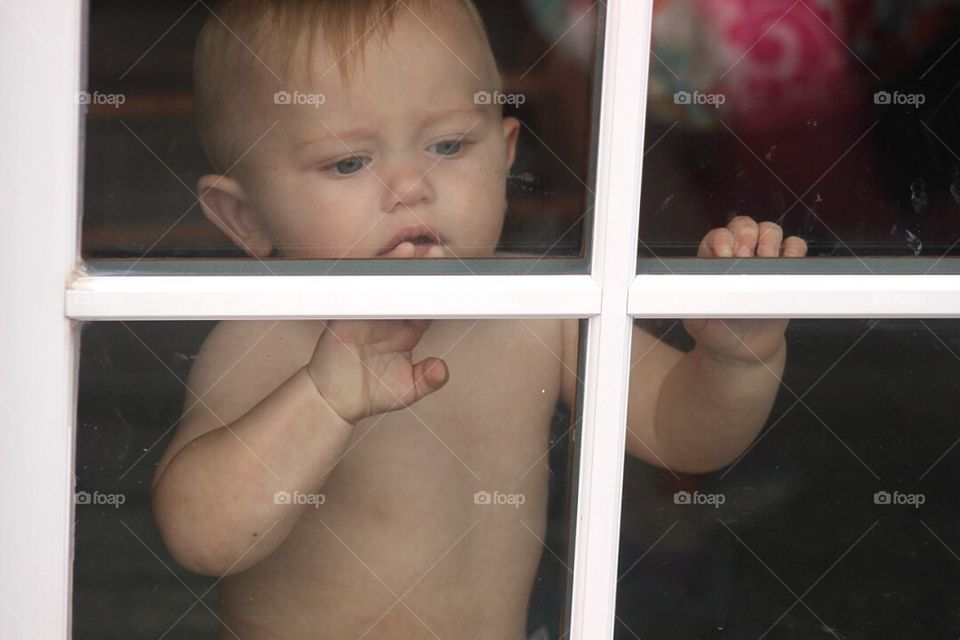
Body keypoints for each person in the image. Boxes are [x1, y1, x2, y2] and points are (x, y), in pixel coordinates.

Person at [151, 1, 807, 638]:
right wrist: (320, 398)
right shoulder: (262, 339)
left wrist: (733, 357)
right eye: (348, 162)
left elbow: (679, 432)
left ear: (505, 152)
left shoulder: (534, 310)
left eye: (448, 144)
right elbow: (201, 536)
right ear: (247, 218)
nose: (411, 185)